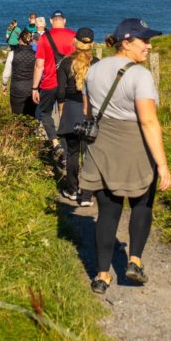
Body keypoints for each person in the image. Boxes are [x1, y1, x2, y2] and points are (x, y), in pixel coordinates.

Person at [80, 18, 171, 295]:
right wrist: (162, 164)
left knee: (108, 212)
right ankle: (134, 260)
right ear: (126, 42)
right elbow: (148, 122)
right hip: (135, 148)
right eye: (144, 40)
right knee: (142, 203)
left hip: (102, 147)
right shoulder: (140, 75)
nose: (149, 45)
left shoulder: (93, 71)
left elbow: (88, 114)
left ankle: (102, 275)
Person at [56, 27, 98, 207]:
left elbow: (60, 92)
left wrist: (61, 109)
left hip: (72, 108)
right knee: (88, 153)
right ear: (92, 44)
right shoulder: (97, 63)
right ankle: (87, 195)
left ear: (75, 41)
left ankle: (72, 189)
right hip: (90, 110)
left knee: (72, 152)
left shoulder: (65, 63)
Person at [32, 10, 75, 149]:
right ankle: (67, 146)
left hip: (49, 82)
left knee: (44, 112)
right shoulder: (74, 36)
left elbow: (39, 66)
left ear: (51, 21)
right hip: (69, 83)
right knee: (66, 114)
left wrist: (34, 88)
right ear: (65, 20)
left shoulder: (44, 38)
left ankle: (55, 142)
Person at [2, 30, 36, 116]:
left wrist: (4, 85)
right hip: (31, 89)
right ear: (30, 41)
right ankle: (30, 129)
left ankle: (18, 128)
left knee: (16, 115)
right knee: (31, 115)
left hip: (16, 89)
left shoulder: (12, 54)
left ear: (20, 39)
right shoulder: (36, 55)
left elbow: (6, 73)